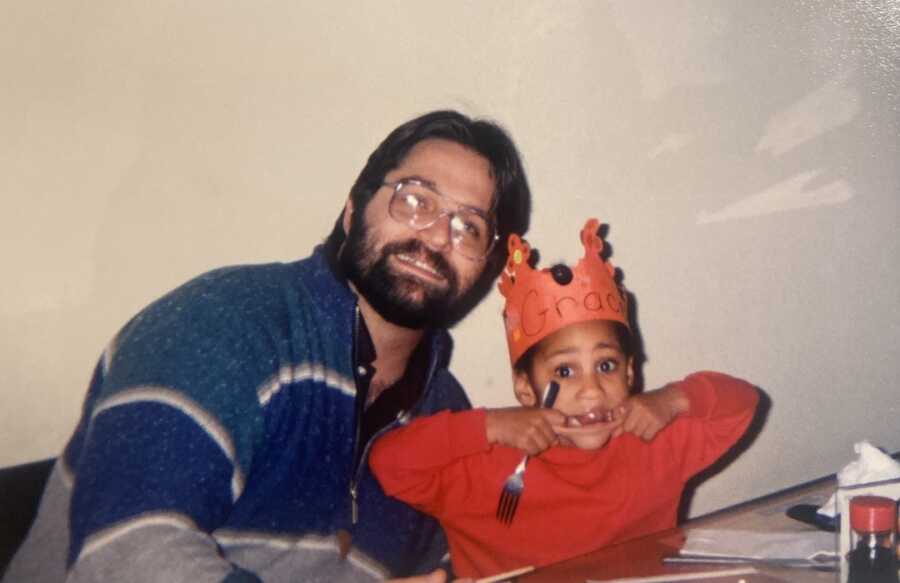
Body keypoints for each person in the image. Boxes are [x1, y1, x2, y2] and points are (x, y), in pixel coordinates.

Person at [2, 110, 531, 583]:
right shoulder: (222, 324)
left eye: (469, 227)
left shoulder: (447, 416)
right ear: (352, 212)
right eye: (416, 200)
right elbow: (123, 553)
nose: (438, 236)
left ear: (484, 269)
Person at [369, 218, 760, 579]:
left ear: (630, 373)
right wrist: (489, 425)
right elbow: (388, 461)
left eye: (606, 366)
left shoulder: (654, 442)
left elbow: (742, 403)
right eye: (565, 372)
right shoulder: (480, 470)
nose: (591, 390)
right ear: (525, 389)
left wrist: (673, 399)